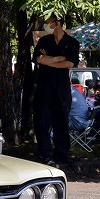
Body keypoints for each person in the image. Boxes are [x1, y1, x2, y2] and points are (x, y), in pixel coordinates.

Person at [32, 13, 80, 164]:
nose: (46, 25)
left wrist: (48, 61)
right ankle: (44, 153)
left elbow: (70, 63)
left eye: (48, 22)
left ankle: (62, 154)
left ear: (56, 23)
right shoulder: (44, 40)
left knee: (61, 120)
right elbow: (38, 59)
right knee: (41, 120)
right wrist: (58, 58)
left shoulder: (72, 42)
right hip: (44, 85)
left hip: (61, 86)